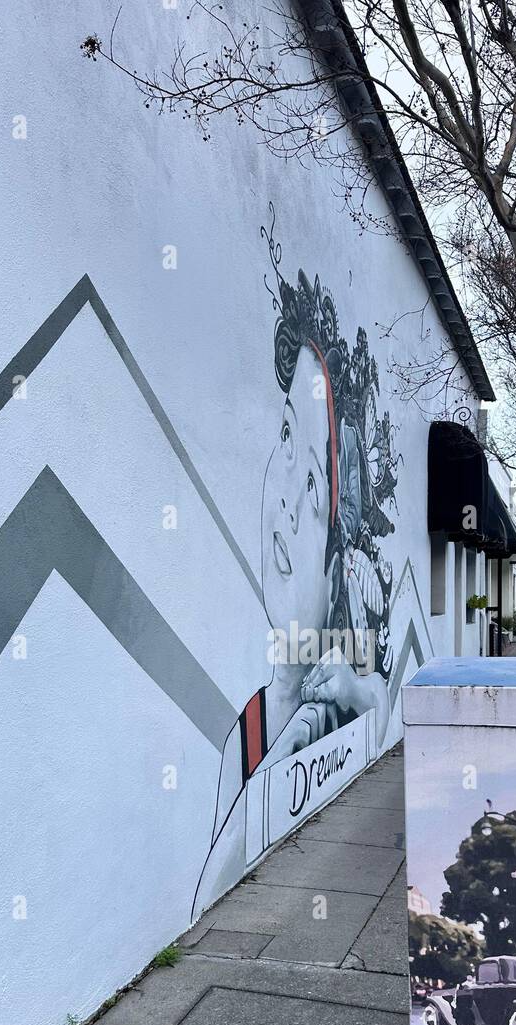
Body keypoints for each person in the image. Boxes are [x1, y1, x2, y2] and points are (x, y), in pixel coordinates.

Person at [192, 217, 400, 915]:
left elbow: (375, 693)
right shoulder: (249, 732)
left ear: (340, 556)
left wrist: (361, 695)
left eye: (313, 479)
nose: (283, 491)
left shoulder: (331, 692)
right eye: (285, 431)